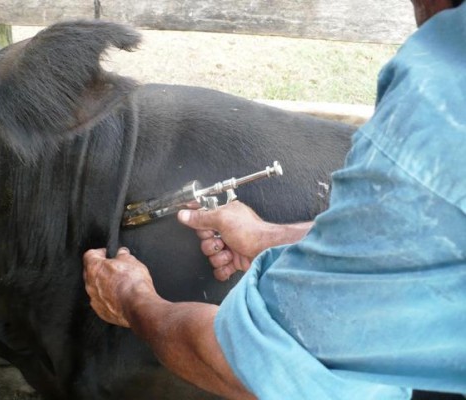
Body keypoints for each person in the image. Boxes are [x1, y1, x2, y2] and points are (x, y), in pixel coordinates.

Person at [83, 0, 466, 398]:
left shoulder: (438, 101)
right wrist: (271, 236)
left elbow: (261, 369)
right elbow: (411, 238)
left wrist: (131, 299)